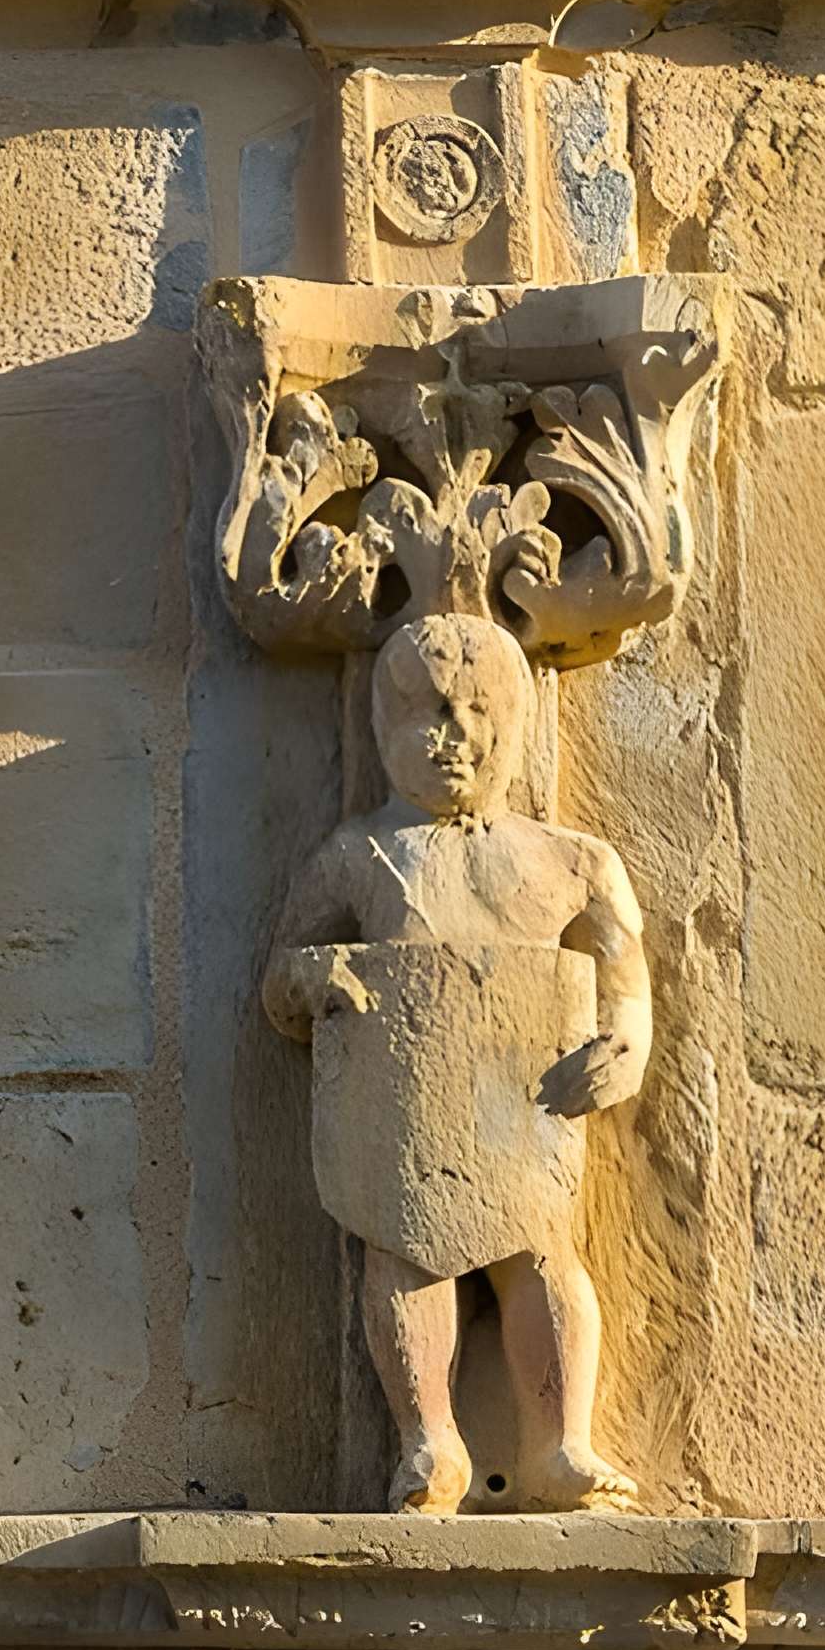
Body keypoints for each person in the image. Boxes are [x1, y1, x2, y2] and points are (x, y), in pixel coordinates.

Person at [268, 613, 650, 1515]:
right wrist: (314, 978)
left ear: (512, 724)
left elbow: (623, 967)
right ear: (386, 727)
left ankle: (560, 1444)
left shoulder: (572, 861)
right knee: (404, 1255)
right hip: (407, 1112)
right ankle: (428, 1440)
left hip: (524, 1101)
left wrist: (626, 1037)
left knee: (544, 1257)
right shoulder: (362, 857)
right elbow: (281, 978)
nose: (455, 737)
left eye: (479, 713)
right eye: (431, 714)